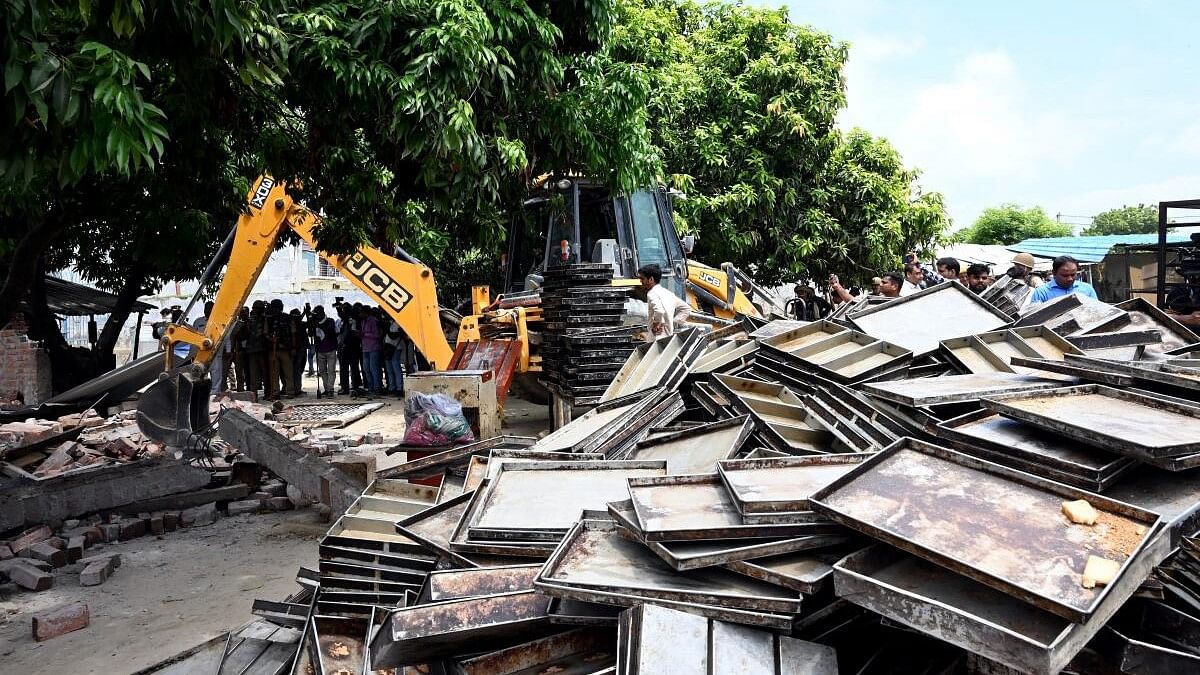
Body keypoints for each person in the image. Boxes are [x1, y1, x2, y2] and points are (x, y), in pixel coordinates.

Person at [638, 264, 690, 340]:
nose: (641, 281)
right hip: (668, 336)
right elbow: (686, 308)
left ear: (651, 279)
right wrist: (673, 322)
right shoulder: (669, 294)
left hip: (656, 337)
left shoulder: (652, 294)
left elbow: (659, 311)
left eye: (642, 279)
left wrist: (656, 326)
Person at [1029, 255, 1098, 303]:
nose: (1070, 279)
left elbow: (1097, 311)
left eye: (1073, 274)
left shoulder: (1087, 289)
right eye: (1065, 275)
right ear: (1054, 273)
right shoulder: (1041, 293)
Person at [265, 299, 294, 400]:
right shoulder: (269, 319)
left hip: (284, 349)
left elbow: (293, 332)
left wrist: (293, 347)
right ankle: (278, 392)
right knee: (276, 373)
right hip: (274, 349)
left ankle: (287, 391)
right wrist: (271, 339)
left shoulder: (287, 318)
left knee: (285, 372)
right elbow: (265, 333)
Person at [311, 305, 338, 397]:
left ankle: (330, 389)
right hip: (320, 349)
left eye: (317, 313)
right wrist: (311, 322)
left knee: (331, 371)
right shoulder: (314, 322)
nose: (316, 315)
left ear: (321, 313)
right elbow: (310, 334)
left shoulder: (330, 321)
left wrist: (317, 324)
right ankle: (327, 388)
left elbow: (330, 331)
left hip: (330, 349)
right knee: (322, 371)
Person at [337, 303, 363, 395]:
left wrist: (339, 309)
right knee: (353, 367)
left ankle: (347, 387)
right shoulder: (353, 320)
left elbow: (342, 315)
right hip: (353, 346)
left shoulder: (351, 320)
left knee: (346, 368)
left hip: (349, 346)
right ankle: (354, 386)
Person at [245, 300, 268, 397]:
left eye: (258, 308)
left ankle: (268, 392)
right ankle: (254, 395)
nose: (256, 310)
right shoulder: (250, 320)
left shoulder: (265, 319)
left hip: (262, 349)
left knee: (265, 373)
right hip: (252, 350)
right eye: (255, 308)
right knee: (253, 374)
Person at [360, 306, 383, 395]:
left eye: (361, 313)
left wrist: (364, 334)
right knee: (366, 369)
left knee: (374, 369)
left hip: (373, 348)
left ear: (366, 313)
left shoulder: (373, 321)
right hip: (365, 348)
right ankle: (371, 387)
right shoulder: (363, 321)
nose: (360, 314)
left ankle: (377, 388)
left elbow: (377, 335)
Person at [383, 316, 407, 397]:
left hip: (396, 347)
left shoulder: (398, 322)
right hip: (388, 347)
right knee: (389, 369)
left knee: (396, 368)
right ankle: (391, 387)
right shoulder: (390, 323)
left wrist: (386, 329)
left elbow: (394, 335)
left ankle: (399, 388)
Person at [289, 309, 308, 396]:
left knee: (299, 369)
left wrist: (307, 313)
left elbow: (310, 324)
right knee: (296, 369)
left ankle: (296, 388)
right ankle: (296, 389)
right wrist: (305, 313)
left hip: (302, 348)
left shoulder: (301, 324)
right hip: (296, 349)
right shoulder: (291, 324)